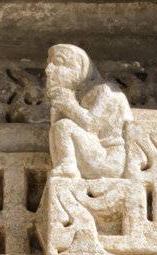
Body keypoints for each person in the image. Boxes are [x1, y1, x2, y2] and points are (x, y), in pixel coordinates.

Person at [47, 44, 131, 180]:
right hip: (92, 153)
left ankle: (68, 167)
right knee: (58, 127)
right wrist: (57, 108)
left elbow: (93, 125)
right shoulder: (78, 96)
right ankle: (66, 166)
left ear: (80, 67)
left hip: (109, 159)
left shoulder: (107, 90)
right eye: (49, 64)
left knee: (64, 126)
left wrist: (69, 106)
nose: (48, 70)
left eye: (58, 63)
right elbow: (56, 133)